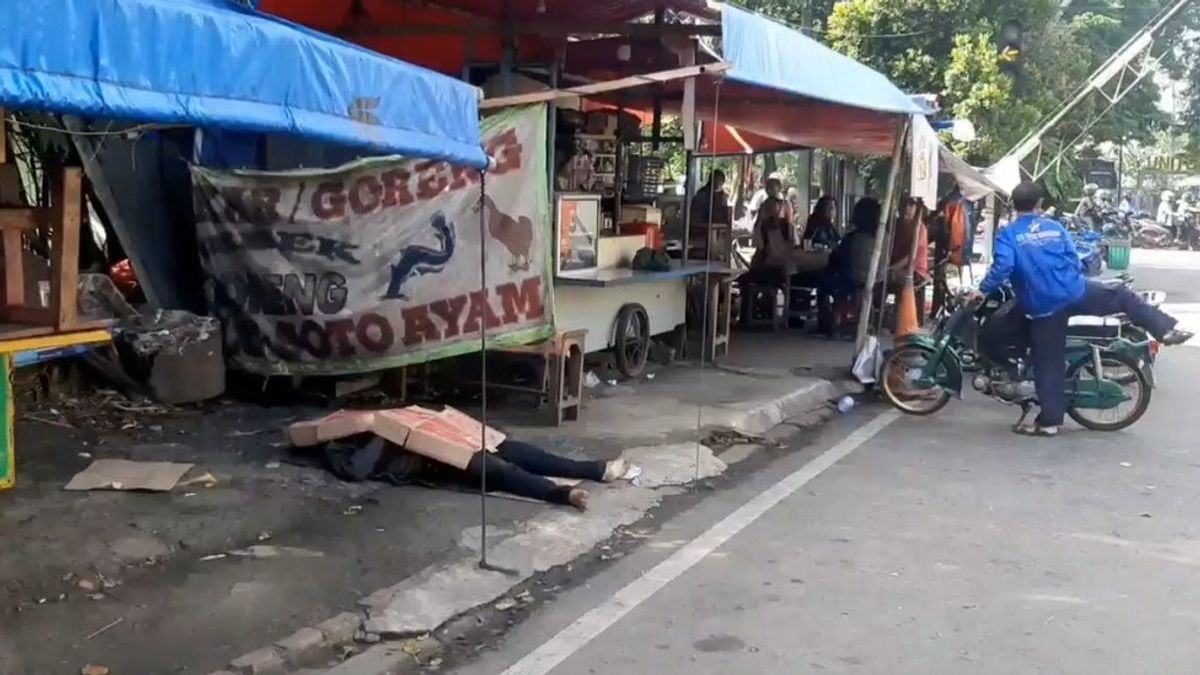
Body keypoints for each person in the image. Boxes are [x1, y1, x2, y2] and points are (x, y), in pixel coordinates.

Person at [974, 181, 1192, 437]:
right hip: (1076, 291)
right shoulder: (1054, 227)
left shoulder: (1009, 235)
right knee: (1121, 295)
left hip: (1045, 306)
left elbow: (1002, 268)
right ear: (1040, 205)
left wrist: (981, 290)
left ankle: (1049, 422)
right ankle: (1164, 328)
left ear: (1013, 204)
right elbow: (1073, 257)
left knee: (1049, 363)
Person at [816, 198, 885, 334]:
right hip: (879, 280)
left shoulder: (851, 238)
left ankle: (825, 323)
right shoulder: (884, 236)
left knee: (823, 282)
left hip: (852, 281)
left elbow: (836, 260)